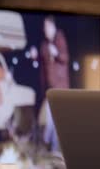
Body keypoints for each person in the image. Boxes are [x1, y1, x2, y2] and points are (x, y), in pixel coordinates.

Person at [35, 15, 70, 152]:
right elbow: (42, 62)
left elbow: (65, 58)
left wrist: (56, 53)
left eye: (47, 27)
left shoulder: (59, 38)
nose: (45, 30)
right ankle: (48, 144)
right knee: (52, 121)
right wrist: (35, 55)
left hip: (60, 88)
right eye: (44, 27)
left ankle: (50, 146)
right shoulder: (44, 44)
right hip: (49, 89)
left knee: (54, 121)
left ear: (52, 26)